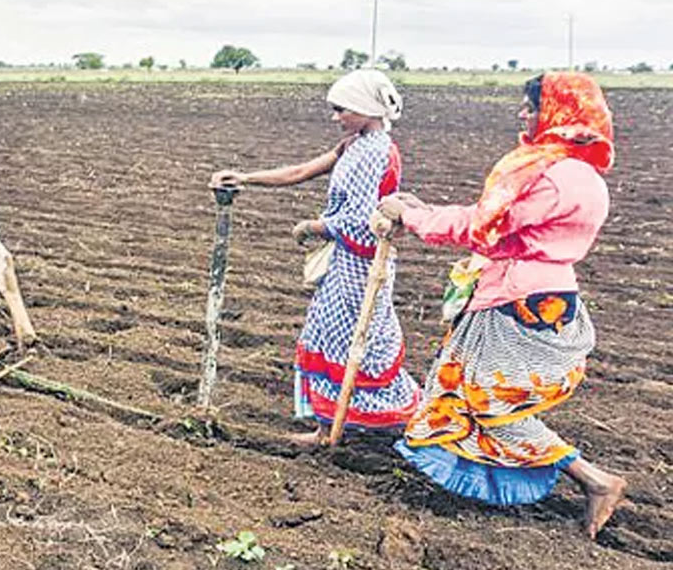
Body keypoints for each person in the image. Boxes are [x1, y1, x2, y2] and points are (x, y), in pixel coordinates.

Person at [378, 72, 625, 538]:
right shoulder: (585, 174)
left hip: (514, 302)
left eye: (530, 107)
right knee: (475, 394)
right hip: (549, 296)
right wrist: (421, 209)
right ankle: (528, 481)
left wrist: (411, 215)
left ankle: (594, 479)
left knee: (486, 403)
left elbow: (483, 228)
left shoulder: (548, 173)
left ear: (555, 113)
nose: (522, 114)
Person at [212, 70, 421, 444]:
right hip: (345, 262)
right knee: (329, 335)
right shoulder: (352, 145)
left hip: (364, 265)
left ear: (364, 108)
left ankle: (394, 419)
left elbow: (362, 218)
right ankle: (327, 427)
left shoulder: (377, 153)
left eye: (342, 109)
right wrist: (245, 178)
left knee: (362, 339)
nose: (336, 117)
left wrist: (315, 226)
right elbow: (302, 171)